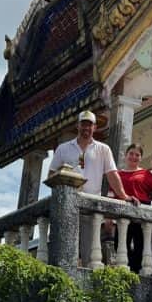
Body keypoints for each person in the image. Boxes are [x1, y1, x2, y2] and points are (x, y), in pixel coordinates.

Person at [49, 110, 134, 263]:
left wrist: (123, 195)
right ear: (78, 125)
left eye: (90, 125)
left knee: (89, 253)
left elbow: (112, 175)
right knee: (65, 250)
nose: (86, 128)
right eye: (83, 124)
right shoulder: (63, 148)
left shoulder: (103, 149)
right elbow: (51, 175)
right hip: (67, 205)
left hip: (90, 206)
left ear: (95, 127)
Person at [113, 143, 152, 272]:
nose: (134, 157)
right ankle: (129, 269)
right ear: (125, 156)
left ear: (141, 158)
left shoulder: (146, 174)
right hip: (122, 212)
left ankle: (136, 270)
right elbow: (112, 194)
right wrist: (108, 219)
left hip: (142, 212)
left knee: (141, 244)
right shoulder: (118, 174)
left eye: (137, 154)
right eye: (131, 153)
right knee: (120, 243)